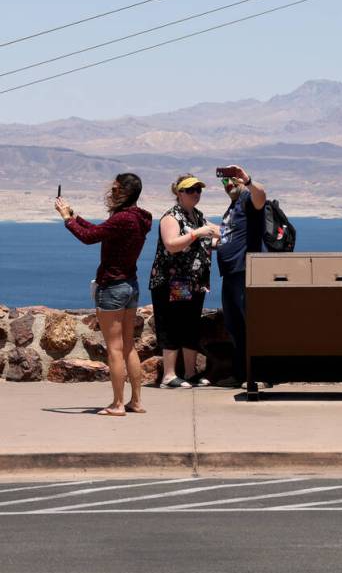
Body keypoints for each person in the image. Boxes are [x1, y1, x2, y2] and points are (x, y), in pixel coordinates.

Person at [54, 174, 153, 416]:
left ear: (125, 192)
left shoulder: (123, 218)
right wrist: (75, 216)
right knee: (129, 347)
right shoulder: (138, 218)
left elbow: (89, 238)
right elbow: (100, 231)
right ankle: (136, 401)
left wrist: (67, 220)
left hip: (112, 288)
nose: (111, 191)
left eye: (116, 187)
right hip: (130, 285)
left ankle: (118, 404)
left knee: (115, 349)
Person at [148, 174, 222, 389]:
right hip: (172, 282)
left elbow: (216, 235)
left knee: (190, 326)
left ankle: (190, 373)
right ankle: (169, 376)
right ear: (179, 193)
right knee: (172, 324)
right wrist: (197, 234)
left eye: (198, 190)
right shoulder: (171, 217)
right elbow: (171, 244)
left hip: (194, 282)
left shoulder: (198, 216)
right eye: (190, 190)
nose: (195, 194)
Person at [216, 164, 266, 387]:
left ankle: (260, 376)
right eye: (224, 180)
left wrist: (247, 179)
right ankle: (240, 375)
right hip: (230, 274)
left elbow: (261, 196)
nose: (228, 184)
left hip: (247, 272)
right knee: (235, 327)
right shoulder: (233, 206)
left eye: (232, 179)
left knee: (254, 325)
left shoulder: (248, 200)